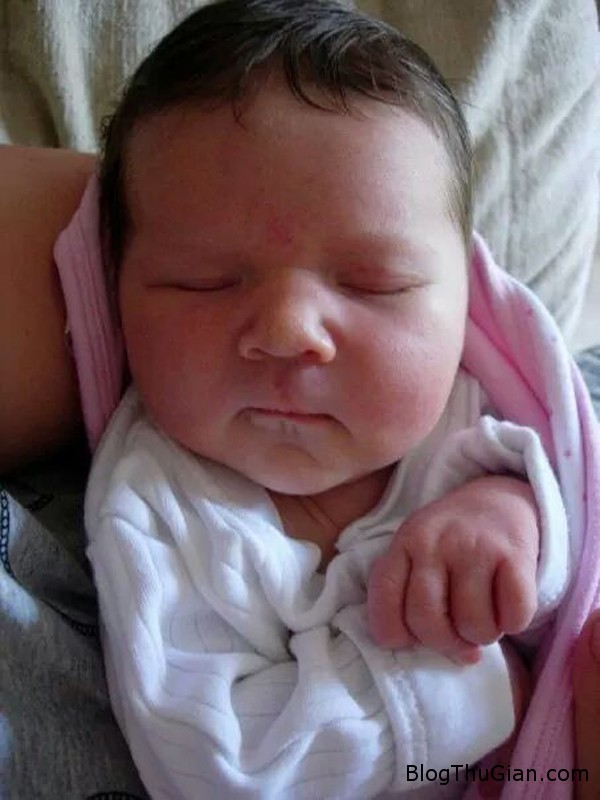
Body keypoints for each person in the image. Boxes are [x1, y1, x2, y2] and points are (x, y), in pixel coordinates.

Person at [75, 2, 573, 798]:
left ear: (466, 296)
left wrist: (511, 516)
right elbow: (219, 768)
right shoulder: (160, 507)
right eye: (205, 281)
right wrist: (481, 691)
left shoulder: (474, 419)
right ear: (115, 291)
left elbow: (572, 536)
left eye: (375, 283)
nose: (286, 331)